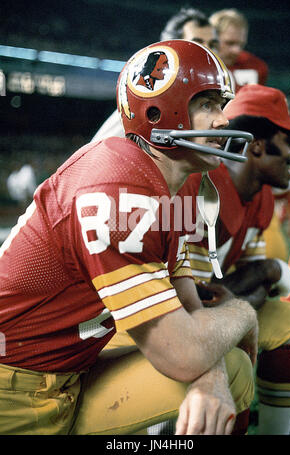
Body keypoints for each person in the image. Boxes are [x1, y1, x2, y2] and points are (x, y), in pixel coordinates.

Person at [0, 40, 257, 436]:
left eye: (219, 106)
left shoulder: (181, 181)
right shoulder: (115, 187)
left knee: (230, 370)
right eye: (207, 104)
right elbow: (184, 354)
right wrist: (243, 313)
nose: (222, 121)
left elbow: (188, 305)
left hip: (76, 368)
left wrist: (211, 375)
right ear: (158, 109)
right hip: (13, 387)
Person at [183, 84, 290, 434]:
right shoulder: (203, 189)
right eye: (288, 141)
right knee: (232, 359)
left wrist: (259, 277)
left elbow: (251, 284)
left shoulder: (261, 196)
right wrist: (263, 274)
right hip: (160, 323)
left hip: (208, 309)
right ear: (259, 145)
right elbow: (199, 301)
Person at [91, 6, 219, 143]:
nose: (207, 51)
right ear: (171, 48)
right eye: (197, 43)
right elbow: (102, 148)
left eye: (212, 44)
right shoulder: (153, 92)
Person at [209, 9, 268, 92]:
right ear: (212, 40)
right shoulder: (198, 66)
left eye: (241, 44)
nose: (236, 50)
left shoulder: (256, 66)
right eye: (230, 43)